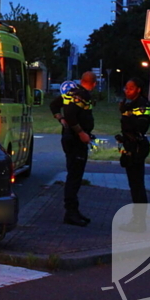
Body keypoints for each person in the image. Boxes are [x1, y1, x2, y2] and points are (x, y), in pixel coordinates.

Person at [50, 71, 96, 227]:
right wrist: (81, 133)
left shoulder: (70, 93)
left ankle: (74, 210)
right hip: (75, 140)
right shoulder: (82, 96)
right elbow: (71, 115)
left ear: (81, 80)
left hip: (70, 138)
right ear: (94, 84)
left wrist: (60, 118)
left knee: (74, 175)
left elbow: (54, 105)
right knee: (74, 177)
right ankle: (70, 213)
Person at [117, 78, 150, 232]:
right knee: (134, 184)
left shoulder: (142, 104)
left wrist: (127, 115)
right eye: (126, 88)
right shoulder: (130, 104)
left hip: (137, 147)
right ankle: (137, 218)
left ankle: (139, 221)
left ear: (138, 89)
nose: (127, 90)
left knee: (137, 185)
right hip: (129, 145)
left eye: (131, 88)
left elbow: (141, 126)